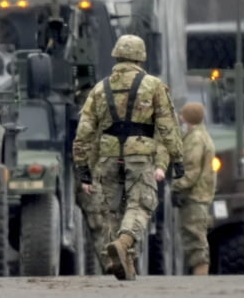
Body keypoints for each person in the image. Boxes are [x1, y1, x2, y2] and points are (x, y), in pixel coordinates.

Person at [72, 34, 184, 281]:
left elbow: (84, 132)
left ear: (116, 55)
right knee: (141, 203)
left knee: (113, 210)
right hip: (139, 155)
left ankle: (124, 262)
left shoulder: (99, 89)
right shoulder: (153, 85)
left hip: (108, 156)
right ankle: (123, 244)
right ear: (141, 57)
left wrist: (82, 167)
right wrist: (176, 158)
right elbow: (168, 126)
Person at [172, 102, 216, 275]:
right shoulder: (201, 136)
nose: (180, 118)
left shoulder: (195, 139)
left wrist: (176, 186)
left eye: (183, 115)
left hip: (194, 196)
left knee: (195, 239)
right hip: (200, 194)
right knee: (196, 237)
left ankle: (201, 275)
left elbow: (191, 169)